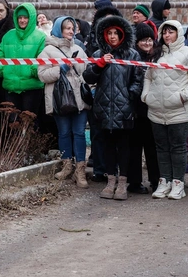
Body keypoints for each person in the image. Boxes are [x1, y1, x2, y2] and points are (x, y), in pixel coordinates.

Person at [83, 15, 143, 200]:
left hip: (124, 109)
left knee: (124, 146)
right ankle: (110, 181)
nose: (112, 36)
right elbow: (88, 77)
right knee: (107, 145)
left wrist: (128, 97)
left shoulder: (132, 55)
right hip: (103, 107)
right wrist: (99, 65)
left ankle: (123, 183)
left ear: (122, 34)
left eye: (116, 33)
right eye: (109, 33)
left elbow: (138, 80)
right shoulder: (97, 54)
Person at [143, 20, 188, 200]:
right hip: (156, 110)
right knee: (161, 148)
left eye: (171, 32)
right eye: (164, 32)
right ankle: (165, 181)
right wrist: (146, 95)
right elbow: (148, 76)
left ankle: (178, 183)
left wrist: (183, 96)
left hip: (180, 111)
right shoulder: (156, 54)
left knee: (178, 148)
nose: (167, 35)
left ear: (178, 33)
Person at [37, 16, 91, 188]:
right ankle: (67, 166)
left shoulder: (80, 49)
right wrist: (59, 69)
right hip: (59, 98)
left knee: (80, 133)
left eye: (72, 28)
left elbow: (87, 73)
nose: (70, 31)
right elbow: (42, 75)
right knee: (64, 133)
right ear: (59, 29)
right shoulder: (47, 50)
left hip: (79, 99)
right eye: (67, 28)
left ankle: (80, 170)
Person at [0, 3, 46, 115]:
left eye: (25, 17)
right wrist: (2, 70)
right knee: (12, 123)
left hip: (32, 88)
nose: (22, 20)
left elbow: (42, 58)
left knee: (29, 123)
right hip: (11, 86)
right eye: (20, 17)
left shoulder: (41, 37)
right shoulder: (8, 35)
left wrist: (32, 71)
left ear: (31, 18)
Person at [128, 22, 161, 193]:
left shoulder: (158, 57)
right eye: (143, 40)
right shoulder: (132, 57)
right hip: (136, 108)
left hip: (154, 107)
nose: (147, 43)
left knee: (152, 146)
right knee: (135, 147)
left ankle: (156, 180)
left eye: (150, 40)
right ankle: (134, 182)